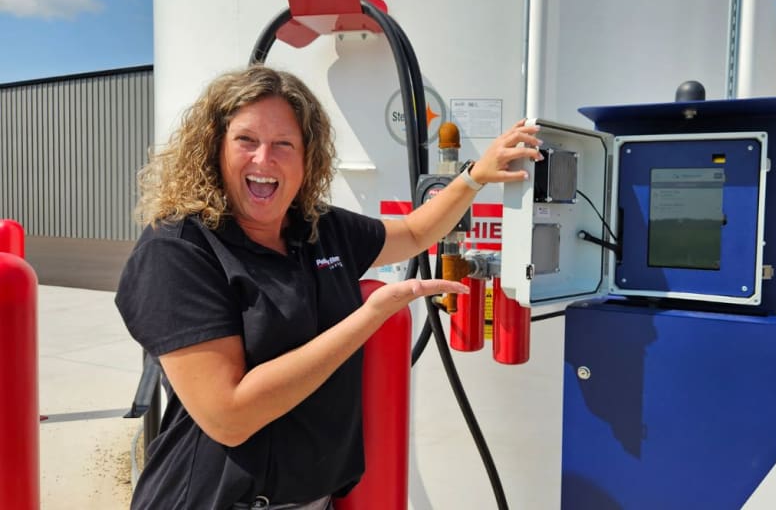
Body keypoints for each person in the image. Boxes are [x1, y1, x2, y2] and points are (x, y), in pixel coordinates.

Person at [115, 65, 542, 510]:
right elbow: (229, 417)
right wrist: (371, 316)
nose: (264, 159)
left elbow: (415, 234)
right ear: (214, 149)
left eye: (284, 144)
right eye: (246, 140)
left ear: (307, 159)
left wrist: (475, 176)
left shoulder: (318, 228)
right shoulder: (178, 249)